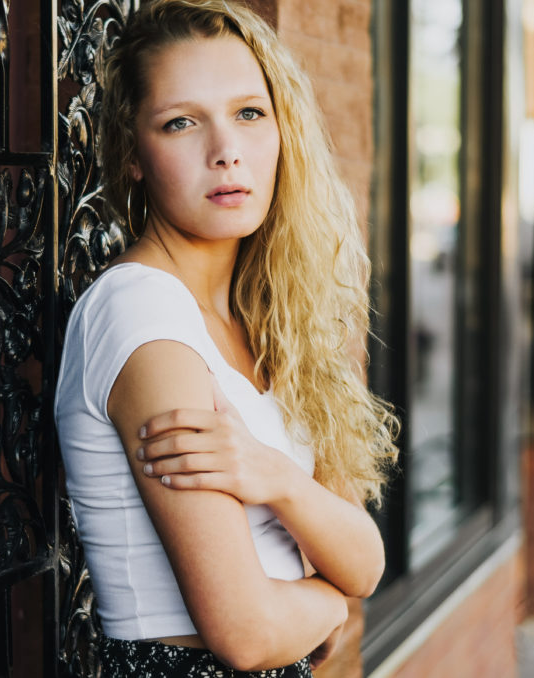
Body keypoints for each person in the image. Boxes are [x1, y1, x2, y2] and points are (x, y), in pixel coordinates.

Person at [54, 0, 398, 675]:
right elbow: (246, 633)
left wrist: (275, 478)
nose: (226, 152)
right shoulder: (141, 313)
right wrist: (328, 605)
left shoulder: (267, 317)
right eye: (181, 123)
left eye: (249, 113)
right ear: (132, 155)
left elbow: (364, 560)